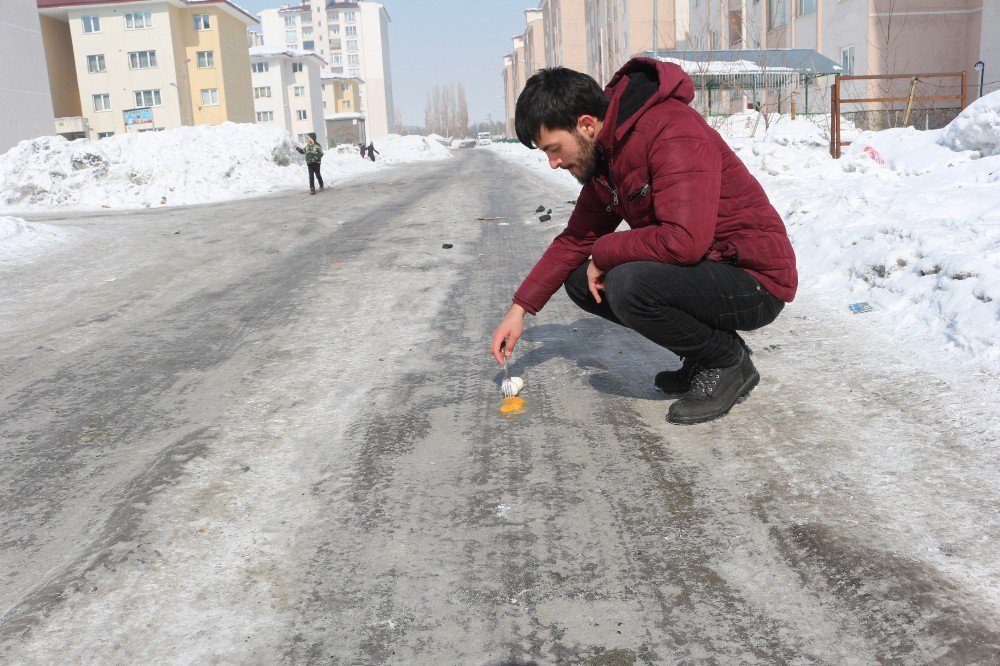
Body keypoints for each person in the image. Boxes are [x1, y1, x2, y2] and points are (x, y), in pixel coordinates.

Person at [489, 58, 797, 425]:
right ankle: (701, 354)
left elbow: (684, 241)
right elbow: (575, 240)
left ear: (585, 125)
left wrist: (604, 252)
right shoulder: (607, 156)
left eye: (553, 148)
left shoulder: (671, 127)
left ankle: (727, 362)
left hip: (755, 279)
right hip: (709, 270)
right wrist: (519, 309)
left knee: (626, 283)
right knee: (580, 280)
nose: (553, 163)